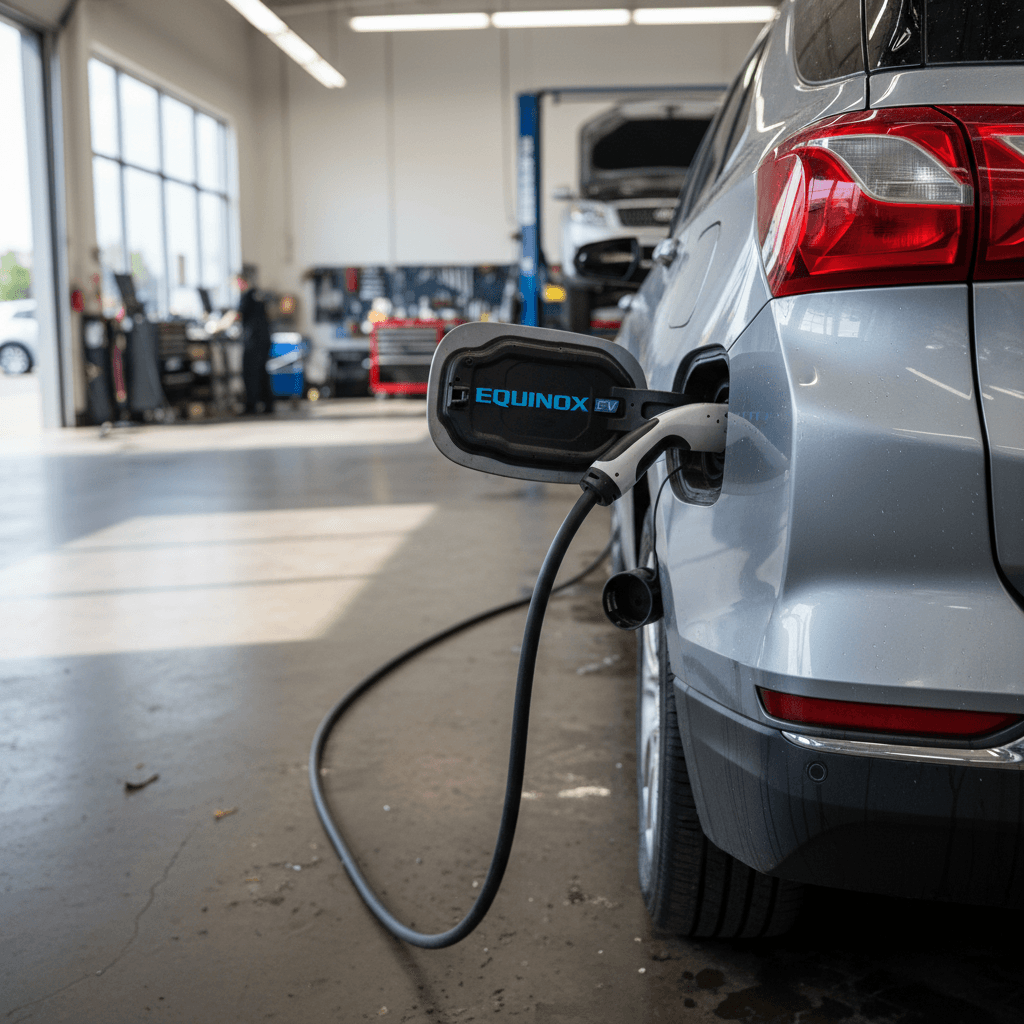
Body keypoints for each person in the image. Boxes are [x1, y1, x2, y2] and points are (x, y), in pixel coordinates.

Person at [239, 276, 275, 414]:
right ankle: (268, 405)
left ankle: (251, 406)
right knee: (261, 372)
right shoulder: (257, 294)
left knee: (250, 373)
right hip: (264, 339)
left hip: (254, 341)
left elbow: (237, 315)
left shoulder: (247, 296)